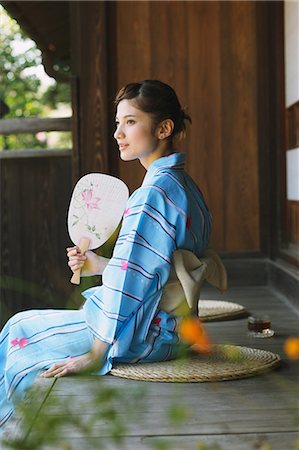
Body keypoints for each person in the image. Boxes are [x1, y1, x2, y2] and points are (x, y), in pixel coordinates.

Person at [0, 79, 213, 430]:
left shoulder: (152, 196)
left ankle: (13, 435)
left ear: (163, 128)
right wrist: (97, 265)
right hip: (178, 327)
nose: (118, 133)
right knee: (23, 329)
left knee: (18, 330)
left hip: (149, 333)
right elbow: (150, 269)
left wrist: (96, 354)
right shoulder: (183, 185)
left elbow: (133, 284)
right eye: (118, 122)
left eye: (130, 122)